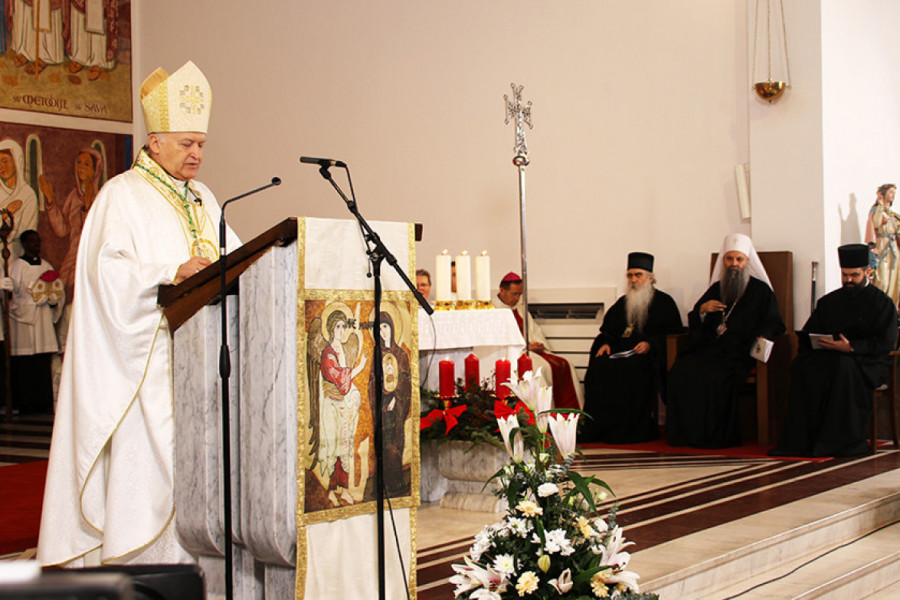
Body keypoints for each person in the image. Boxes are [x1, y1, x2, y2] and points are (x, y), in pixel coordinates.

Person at [38, 61, 239, 567]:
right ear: (155, 142)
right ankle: (142, 566)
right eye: (186, 143)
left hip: (198, 364)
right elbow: (105, 276)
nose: (197, 154)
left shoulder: (204, 198)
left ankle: (199, 562)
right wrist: (170, 270)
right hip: (144, 364)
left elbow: (237, 256)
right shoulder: (120, 196)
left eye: (201, 145)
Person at [770, 244, 897, 457]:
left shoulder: (882, 303)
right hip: (831, 357)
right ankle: (803, 441)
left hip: (867, 362)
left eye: (854, 275)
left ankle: (841, 443)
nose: (848, 280)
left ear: (868, 272)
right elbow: (810, 333)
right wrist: (818, 342)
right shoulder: (829, 301)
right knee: (803, 366)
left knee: (841, 367)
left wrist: (852, 347)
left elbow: (886, 342)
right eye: (845, 275)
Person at [666, 234, 784, 448]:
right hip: (709, 348)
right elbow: (696, 319)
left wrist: (763, 336)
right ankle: (685, 435)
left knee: (714, 376)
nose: (734, 264)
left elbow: (774, 322)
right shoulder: (716, 288)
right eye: (729, 259)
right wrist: (702, 311)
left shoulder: (761, 291)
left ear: (747, 262)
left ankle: (714, 437)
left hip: (739, 351)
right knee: (679, 371)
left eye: (739, 259)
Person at [582, 252, 683, 443]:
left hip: (645, 356)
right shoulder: (622, 303)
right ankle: (602, 427)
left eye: (638, 275)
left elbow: (672, 334)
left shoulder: (664, 302)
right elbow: (607, 331)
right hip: (619, 351)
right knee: (600, 366)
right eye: (630, 275)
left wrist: (651, 344)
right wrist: (605, 344)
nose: (633, 280)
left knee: (631, 368)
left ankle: (630, 429)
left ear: (651, 278)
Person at [493, 272, 583, 409]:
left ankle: (570, 415)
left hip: (530, 350)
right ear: (502, 290)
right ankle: (544, 417)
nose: (517, 298)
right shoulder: (492, 310)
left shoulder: (520, 309)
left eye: (519, 294)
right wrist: (526, 348)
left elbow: (534, 330)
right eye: (514, 294)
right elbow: (498, 339)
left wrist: (537, 344)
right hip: (513, 354)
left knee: (565, 364)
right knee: (540, 370)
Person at [9, 230, 63, 415]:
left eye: (38, 240)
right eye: (32, 241)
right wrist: (30, 299)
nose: (36, 244)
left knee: (41, 362)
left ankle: (43, 401)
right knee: (26, 364)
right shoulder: (17, 266)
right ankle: (25, 403)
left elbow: (56, 288)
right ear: (24, 244)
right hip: (24, 319)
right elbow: (12, 294)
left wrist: (52, 298)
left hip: (43, 317)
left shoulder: (46, 265)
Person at [368, 307, 412, 497]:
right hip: (381, 404)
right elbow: (371, 380)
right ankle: (385, 482)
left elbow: (405, 381)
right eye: (379, 328)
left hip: (396, 405)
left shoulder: (400, 354)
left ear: (392, 328)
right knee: (384, 445)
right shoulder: (377, 353)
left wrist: (395, 398)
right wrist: (381, 397)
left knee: (395, 444)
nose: (382, 331)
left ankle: (395, 483)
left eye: (385, 327)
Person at [0, 138, 39, 258]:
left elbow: (26, 235)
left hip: (16, 256)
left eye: (5, 161)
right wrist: (6, 214)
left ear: (17, 161)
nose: (1, 166)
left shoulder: (28, 195)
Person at [864, 184, 900, 306]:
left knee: (894, 282)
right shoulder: (876, 211)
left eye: (894, 193)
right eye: (890, 192)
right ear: (882, 194)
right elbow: (876, 223)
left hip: (894, 248)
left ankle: (892, 311)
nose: (893, 195)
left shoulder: (893, 215)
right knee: (882, 281)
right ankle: (879, 308)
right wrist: (880, 205)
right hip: (882, 246)